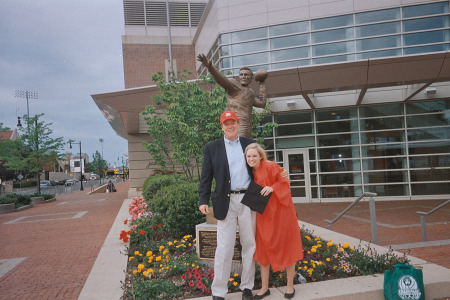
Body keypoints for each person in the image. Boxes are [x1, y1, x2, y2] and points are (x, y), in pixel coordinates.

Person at [199, 111, 256, 300]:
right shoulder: (212, 148)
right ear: (221, 126)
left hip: (248, 199)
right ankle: (218, 291)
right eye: (226, 123)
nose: (230, 126)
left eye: (233, 122)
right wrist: (203, 200)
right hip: (226, 201)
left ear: (238, 124)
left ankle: (247, 287)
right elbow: (206, 177)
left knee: (249, 244)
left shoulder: (249, 144)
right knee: (224, 247)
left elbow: (261, 168)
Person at [244, 143, 304, 300]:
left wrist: (273, 187)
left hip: (281, 213)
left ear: (261, 156)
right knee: (263, 249)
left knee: (287, 246)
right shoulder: (248, 171)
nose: (251, 159)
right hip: (263, 215)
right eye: (248, 156)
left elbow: (284, 182)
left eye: (254, 156)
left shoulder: (270, 166)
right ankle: (264, 288)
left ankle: (290, 286)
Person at [197, 54, 267, 138]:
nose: (243, 77)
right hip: (236, 123)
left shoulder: (250, 92)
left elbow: (262, 104)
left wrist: (262, 84)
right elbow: (222, 80)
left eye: (246, 75)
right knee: (238, 146)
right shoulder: (234, 85)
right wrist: (210, 67)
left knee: (245, 149)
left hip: (247, 126)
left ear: (251, 77)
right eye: (241, 74)